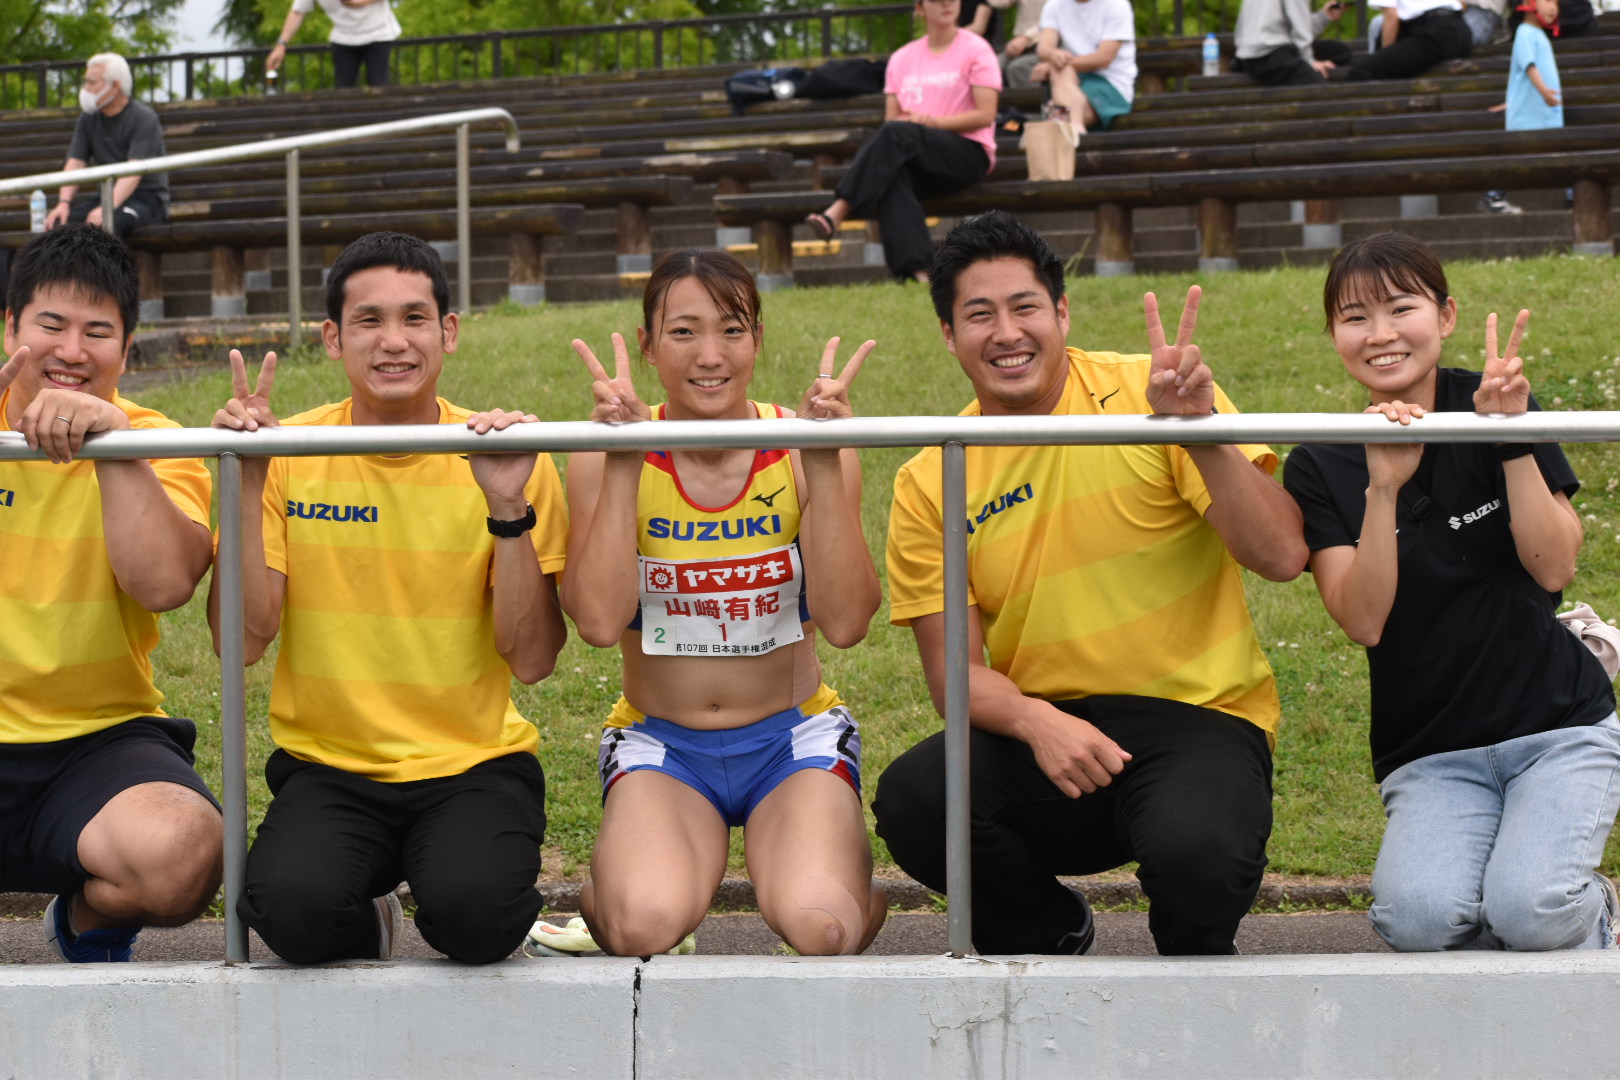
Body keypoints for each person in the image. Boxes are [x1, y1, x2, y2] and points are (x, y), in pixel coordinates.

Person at [873, 210, 1308, 956]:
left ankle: (1190, 963)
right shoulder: (931, 478)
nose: (1006, 333)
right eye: (979, 315)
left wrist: (1198, 437)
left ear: (1062, 312)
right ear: (949, 334)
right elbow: (956, 680)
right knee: (918, 799)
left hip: (1194, 717)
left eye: (1025, 307)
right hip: (1043, 733)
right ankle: (1049, 931)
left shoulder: (1155, 394)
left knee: (1199, 857)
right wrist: (1040, 723)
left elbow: (1281, 553)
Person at [208, 231, 567, 964]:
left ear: (449, 332)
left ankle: (453, 881)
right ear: (334, 339)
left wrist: (506, 509)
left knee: (477, 918)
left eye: (414, 318)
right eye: (369, 321)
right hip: (331, 765)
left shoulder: (509, 458)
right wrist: (247, 480)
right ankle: (370, 919)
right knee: (290, 913)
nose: (394, 341)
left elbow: (531, 660)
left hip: (472, 765)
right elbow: (241, 641)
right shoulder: (286, 453)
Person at [1282, 232, 1620, 952]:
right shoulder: (1320, 458)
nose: (1380, 335)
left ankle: (1593, 912)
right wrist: (1383, 488)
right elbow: (1364, 621)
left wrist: (1511, 438)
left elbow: (1554, 568)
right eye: (1354, 317)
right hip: (1432, 749)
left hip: (1558, 728)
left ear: (1446, 315)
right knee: (1421, 920)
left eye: (1400, 307)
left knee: (1531, 911)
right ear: (1333, 334)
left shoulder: (1496, 401)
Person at [557, 248, 887, 958]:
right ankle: (609, 894)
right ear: (647, 346)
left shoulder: (802, 447)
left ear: (758, 341)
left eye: (732, 330)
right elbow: (593, 622)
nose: (711, 354)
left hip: (789, 737)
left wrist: (826, 468)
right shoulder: (601, 451)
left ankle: (853, 893)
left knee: (821, 928)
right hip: (663, 741)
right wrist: (621, 466)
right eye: (683, 332)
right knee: (640, 927)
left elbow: (849, 622)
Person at [0, 225, 219, 963]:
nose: (71, 350)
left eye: (98, 332)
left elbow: (163, 585)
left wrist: (115, 451)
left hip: (96, 738)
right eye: (51, 325)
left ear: (126, 351)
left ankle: (86, 923)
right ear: (11, 328)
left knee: (183, 850)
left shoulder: (157, 439)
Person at [804, 0, 1000, 283]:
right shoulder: (902, 58)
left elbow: (986, 114)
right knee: (893, 173)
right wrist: (915, 126)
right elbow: (891, 119)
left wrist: (933, 123)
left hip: (966, 153)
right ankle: (920, 272)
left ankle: (838, 210)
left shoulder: (976, 49)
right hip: (917, 156)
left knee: (897, 133)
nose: (947, 3)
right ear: (920, 8)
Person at [41, 54, 168, 238]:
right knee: (61, 227)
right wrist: (64, 203)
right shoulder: (88, 118)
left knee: (108, 226)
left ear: (115, 86)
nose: (86, 89)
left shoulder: (143, 118)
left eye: (92, 83)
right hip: (106, 196)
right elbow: (75, 162)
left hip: (146, 200)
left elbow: (133, 171)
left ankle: (110, 268)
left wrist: (106, 209)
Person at [1482, 0, 1562, 215]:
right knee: (1519, 158)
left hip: (1540, 112)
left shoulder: (1537, 34)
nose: (1553, 7)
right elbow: (1529, 66)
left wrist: (1512, 100)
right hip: (1531, 114)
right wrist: (1545, 92)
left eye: (1557, 2)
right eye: (1548, 0)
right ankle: (1493, 196)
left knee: (1551, 154)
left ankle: (1571, 194)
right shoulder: (1525, 32)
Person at [1033, 0, 1136, 135]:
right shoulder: (1054, 4)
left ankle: (1069, 128)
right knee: (1060, 72)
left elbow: (1104, 58)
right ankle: (1075, 128)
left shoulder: (1116, 5)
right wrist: (1054, 55)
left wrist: (1055, 63)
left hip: (1111, 84)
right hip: (1072, 82)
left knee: (1055, 114)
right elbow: (1043, 48)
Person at [266, 0, 402, 89]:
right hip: (344, 37)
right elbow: (297, 12)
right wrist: (281, 44)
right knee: (343, 90)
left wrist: (359, 1)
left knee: (378, 86)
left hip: (378, 33)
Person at [1233, 0, 1354, 86]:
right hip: (1268, 55)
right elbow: (1300, 29)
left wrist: (1324, 17)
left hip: (1254, 53)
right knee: (1321, 92)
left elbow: (1295, 26)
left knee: (1340, 52)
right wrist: (1309, 61)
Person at [1349, 0, 1472, 81]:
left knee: (1362, 71)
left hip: (1432, 35)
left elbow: (1392, 18)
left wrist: (1385, 55)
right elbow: (1462, 4)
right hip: (1461, 33)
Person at [995, 0, 1054, 88]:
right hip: (1021, 44)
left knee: (1018, 67)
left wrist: (1028, 38)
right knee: (994, 65)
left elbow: (1054, 21)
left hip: (1050, 44)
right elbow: (999, 3)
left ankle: (1034, 101)